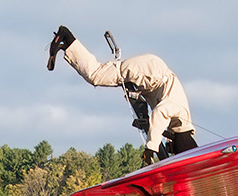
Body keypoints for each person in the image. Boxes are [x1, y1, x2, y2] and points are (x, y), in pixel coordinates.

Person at [47, 26, 197, 165]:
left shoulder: (180, 124)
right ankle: (66, 37)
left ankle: (67, 44)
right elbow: (160, 113)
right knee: (96, 75)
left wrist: (146, 127)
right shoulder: (179, 112)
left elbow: (161, 123)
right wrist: (151, 148)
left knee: (98, 75)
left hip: (150, 74)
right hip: (150, 73)